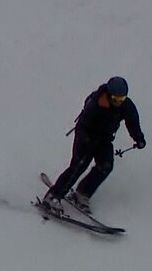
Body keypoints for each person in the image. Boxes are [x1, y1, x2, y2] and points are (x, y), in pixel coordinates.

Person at [43, 76, 146, 212]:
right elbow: (84, 123)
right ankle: (53, 196)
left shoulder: (126, 105)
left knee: (106, 166)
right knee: (78, 166)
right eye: (116, 99)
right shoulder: (97, 102)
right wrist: (86, 141)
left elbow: (132, 122)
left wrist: (138, 138)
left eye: (121, 99)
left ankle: (83, 193)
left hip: (104, 139)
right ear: (109, 95)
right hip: (86, 136)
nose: (118, 102)